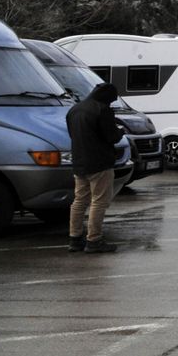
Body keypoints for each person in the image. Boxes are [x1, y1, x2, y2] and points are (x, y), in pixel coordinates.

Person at [65, 82, 125, 253]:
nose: (111, 103)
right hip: (100, 163)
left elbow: (72, 134)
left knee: (79, 201)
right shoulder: (102, 110)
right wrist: (120, 131)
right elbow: (111, 137)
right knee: (98, 202)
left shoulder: (74, 110)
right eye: (111, 100)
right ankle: (94, 240)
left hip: (79, 161)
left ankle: (75, 239)